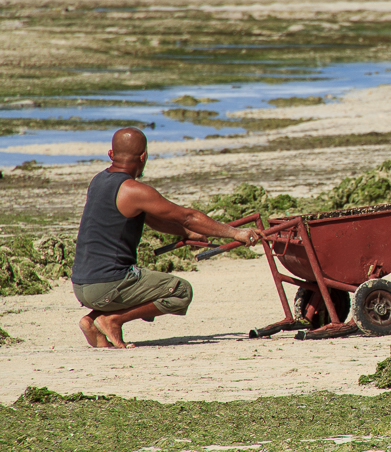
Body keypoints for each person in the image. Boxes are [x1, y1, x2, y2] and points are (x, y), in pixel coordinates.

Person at [71, 127, 264, 349]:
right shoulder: (134, 190)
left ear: (111, 154)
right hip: (108, 284)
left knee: (142, 281)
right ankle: (112, 320)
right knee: (180, 291)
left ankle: (92, 319)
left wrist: (186, 233)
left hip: (82, 285)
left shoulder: (99, 181)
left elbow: (151, 218)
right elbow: (189, 216)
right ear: (143, 157)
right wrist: (235, 233)